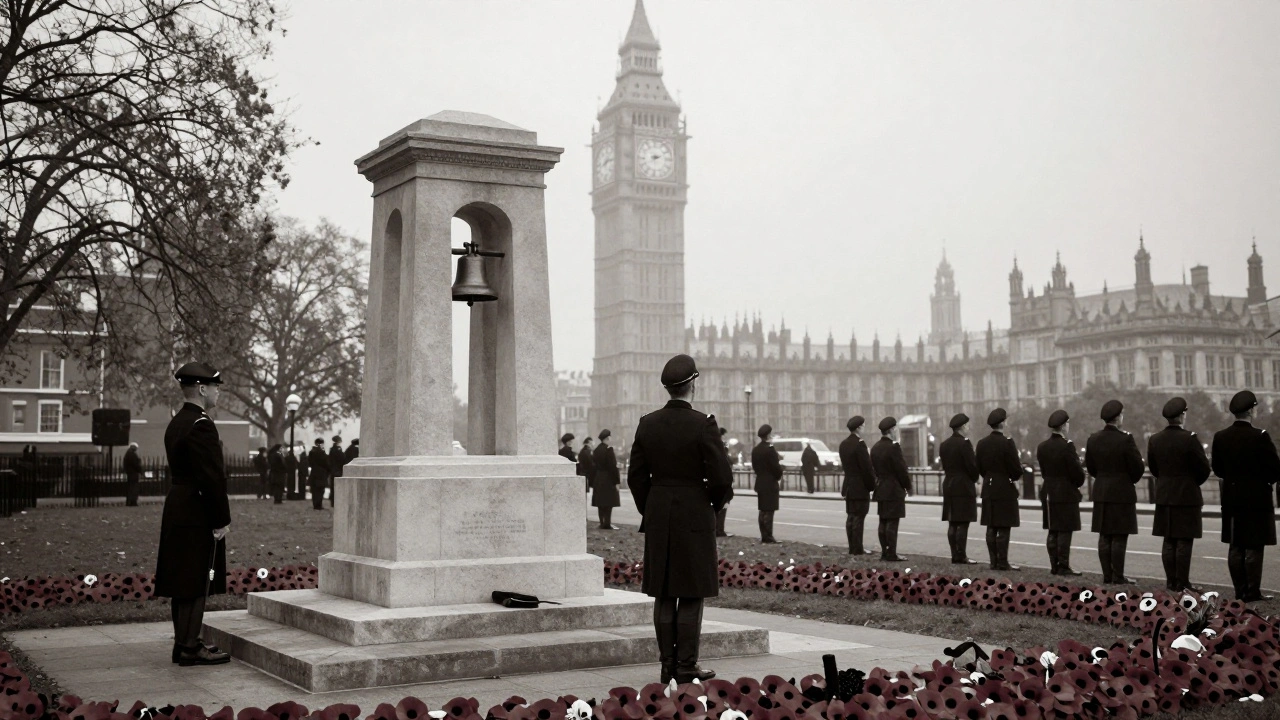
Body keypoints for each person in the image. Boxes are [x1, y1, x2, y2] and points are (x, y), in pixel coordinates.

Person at [627, 353, 732, 684]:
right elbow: (722, 479)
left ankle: (666, 665)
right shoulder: (704, 423)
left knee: (663, 592)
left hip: (659, 513)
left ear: (669, 389)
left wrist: (652, 507)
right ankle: (686, 667)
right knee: (690, 592)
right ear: (693, 385)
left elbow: (635, 477)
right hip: (694, 513)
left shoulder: (648, 422)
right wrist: (710, 506)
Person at [154, 361, 231, 667]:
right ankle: (189, 646)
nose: (217, 393)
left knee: (182, 577)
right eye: (215, 387)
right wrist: (220, 518)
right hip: (197, 507)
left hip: (179, 504)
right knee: (196, 577)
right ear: (202, 389)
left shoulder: (178, 422)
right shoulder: (202, 424)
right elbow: (211, 478)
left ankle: (184, 643)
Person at [1213, 390, 1280, 602]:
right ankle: (1252, 592)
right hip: (1256, 498)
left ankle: (1239, 591)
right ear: (1251, 410)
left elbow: (1217, 468)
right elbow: (1275, 469)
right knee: (1253, 546)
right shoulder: (1260, 436)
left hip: (1232, 498)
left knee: (1236, 545)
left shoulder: (1220, 437)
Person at [1149, 397, 1211, 592]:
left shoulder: (1155, 439)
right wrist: (1191, 482)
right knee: (1184, 540)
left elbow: (1153, 468)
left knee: (1169, 540)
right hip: (1186, 495)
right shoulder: (1189, 438)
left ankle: (1171, 581)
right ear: (1183, 415)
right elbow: (1203, 468)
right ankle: (1182, 582)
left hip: (1165, 493)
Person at [1086, 399, 1146, 585]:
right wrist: (1127, 480)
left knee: (1104, 535)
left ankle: (1107, 575)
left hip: (1102, 490)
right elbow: (1137, 467)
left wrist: (1103, 478)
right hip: (1121, 491)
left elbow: (1091, 467)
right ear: (1118, 417)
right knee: (1119, 535)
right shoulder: (1125, 439)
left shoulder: (1093, 439)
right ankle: (1118, 575)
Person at [1038, 409, 1084, 576]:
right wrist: (1078, 483)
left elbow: (1043, 472)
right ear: (1064, 426)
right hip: (1065, 491)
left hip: (1049, 491)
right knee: (1065, 529)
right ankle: (1063, 565)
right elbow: (1077, 473)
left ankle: (1054, 565)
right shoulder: (1067, 446)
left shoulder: (1042, 447)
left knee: (1052, 529)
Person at [976, 408, 1022, 571]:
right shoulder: (1007, 442)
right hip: (1004, 487)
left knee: (991, 525)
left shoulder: (981, 443)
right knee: (1003, 526)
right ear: (1002, 423)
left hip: (988, 486)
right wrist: (1013, 477)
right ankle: (1002, 562)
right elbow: (1016, 469)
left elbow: (979, 468)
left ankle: (993, 561)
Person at [939, 413, 979, 565]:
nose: (968, 428)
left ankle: (954, 554)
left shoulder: (944, 444)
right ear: (962, 427)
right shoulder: (965, 444)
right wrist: (975, 478)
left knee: (952, 521)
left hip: (949, 483)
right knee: (962, 522)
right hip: (963, 485)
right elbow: (971, 466)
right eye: (967, 425)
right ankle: (961, 555)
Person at [870, 416, 911, 561]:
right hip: (894, 489)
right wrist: (907, 486)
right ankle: (892, 553)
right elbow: (901, 470)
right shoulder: (894, 447)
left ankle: (884, 551)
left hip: (881, 488)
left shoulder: (875, 447)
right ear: (892, 430)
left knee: (883, 521)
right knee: (892, 522)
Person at [838, 416, 876, 555]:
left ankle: (852, 547)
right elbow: (866, 468)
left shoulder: (843, 444)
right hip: (860, 486)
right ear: (859, 427)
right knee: (859, 517)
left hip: (848, 485)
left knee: (851, 517)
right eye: (863, 426)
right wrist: (872, 485)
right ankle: (858, 548)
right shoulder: (860, 444)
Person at [751, 424, 782, 544]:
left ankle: (763, 535)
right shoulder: (770, 449)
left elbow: (755, 467)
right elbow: (776, 467)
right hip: (770, 483)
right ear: (768, 435)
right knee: (769, 510)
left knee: (762, 510)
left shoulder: (756, 449)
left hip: (760, 482)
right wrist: (778, 475)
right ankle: (768, 536)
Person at [591, 429, 621, 529]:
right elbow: (613, 467)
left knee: (600, 502)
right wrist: (616, 481)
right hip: (608, 478)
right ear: (607, 438)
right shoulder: (609, 449)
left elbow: (593, 466)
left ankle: (601, 522)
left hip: (598, 478)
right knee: (608, 502)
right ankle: (607, 523)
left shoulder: (596, 450)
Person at [716, 427, 735, 537]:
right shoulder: (722, 449)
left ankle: (717, 529)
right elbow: (727, 463)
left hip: (717, 482)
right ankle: (720, 530)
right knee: (723, 507)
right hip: (724, 482)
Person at [307, 438, 330, 510]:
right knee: (320, 490)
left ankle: (315, 504)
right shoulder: (321, 452)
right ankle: (319, 505)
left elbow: (310, 462)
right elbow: (326, 462)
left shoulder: (311, 452)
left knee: (314, 490)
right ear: (320, 444)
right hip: (321, 473)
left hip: (314, 472)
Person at [123, 441, 143, 507]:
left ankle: (129, 501)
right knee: (134, 488)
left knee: (130, 488)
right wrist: (141, 471)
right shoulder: (132, 454)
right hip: (133, 473)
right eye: (136, 448)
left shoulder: (127, 454)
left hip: (130, 473)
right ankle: (133, 502)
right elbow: (136, 464)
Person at [328, 435, 346, 508]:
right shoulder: (338, 449)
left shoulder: (331, 449)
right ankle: (336, 502)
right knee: (337, 487)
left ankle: (333, 502)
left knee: (333, 487)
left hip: (333, 470)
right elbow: (342, 459)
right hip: (338, 470)